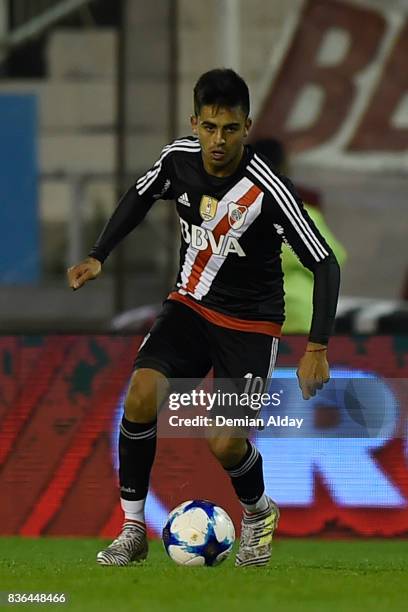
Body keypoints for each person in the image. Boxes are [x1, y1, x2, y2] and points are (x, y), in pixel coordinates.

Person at [67, 69, 340, 568]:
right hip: (189, 307)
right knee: (141, 393)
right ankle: (132, 530)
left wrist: (317, 348)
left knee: (225, 442)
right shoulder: (178, 159)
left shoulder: (269, 190)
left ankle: (258, 513)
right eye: (210, 127)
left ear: (247, 126)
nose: (218, 140)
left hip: (251, 326)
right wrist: (98, 253)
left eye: (230, 129)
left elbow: (324, 261)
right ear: (195, 122)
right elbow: (140, 194)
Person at [253, 138, 347, 334]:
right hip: (303, 317)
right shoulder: (303, 215)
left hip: (252, 319)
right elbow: (335, 258)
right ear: (284, 168)